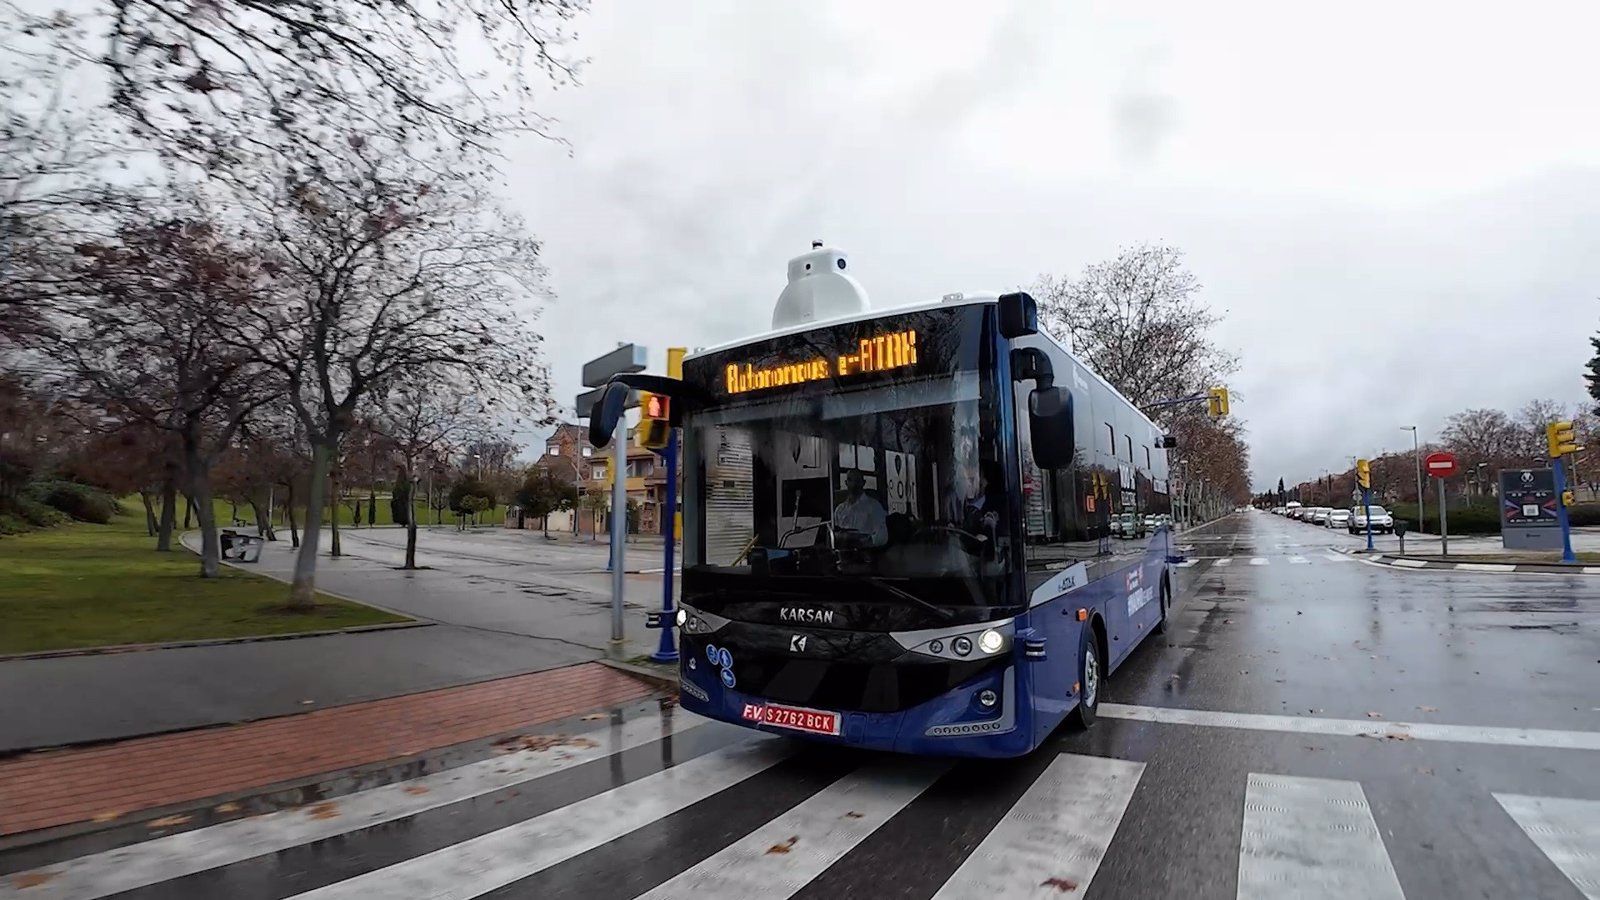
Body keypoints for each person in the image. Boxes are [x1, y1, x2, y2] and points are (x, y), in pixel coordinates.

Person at [832, 468, 888, 547]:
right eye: (850, 480)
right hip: (843, 551)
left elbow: (882, 535)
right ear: (846, 483)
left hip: (864, 552)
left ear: (863, 483)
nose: (854, 483)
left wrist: (866, 542)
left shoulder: (874, 506)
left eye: (857, 480)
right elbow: (834, 533)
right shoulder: (840, 510)